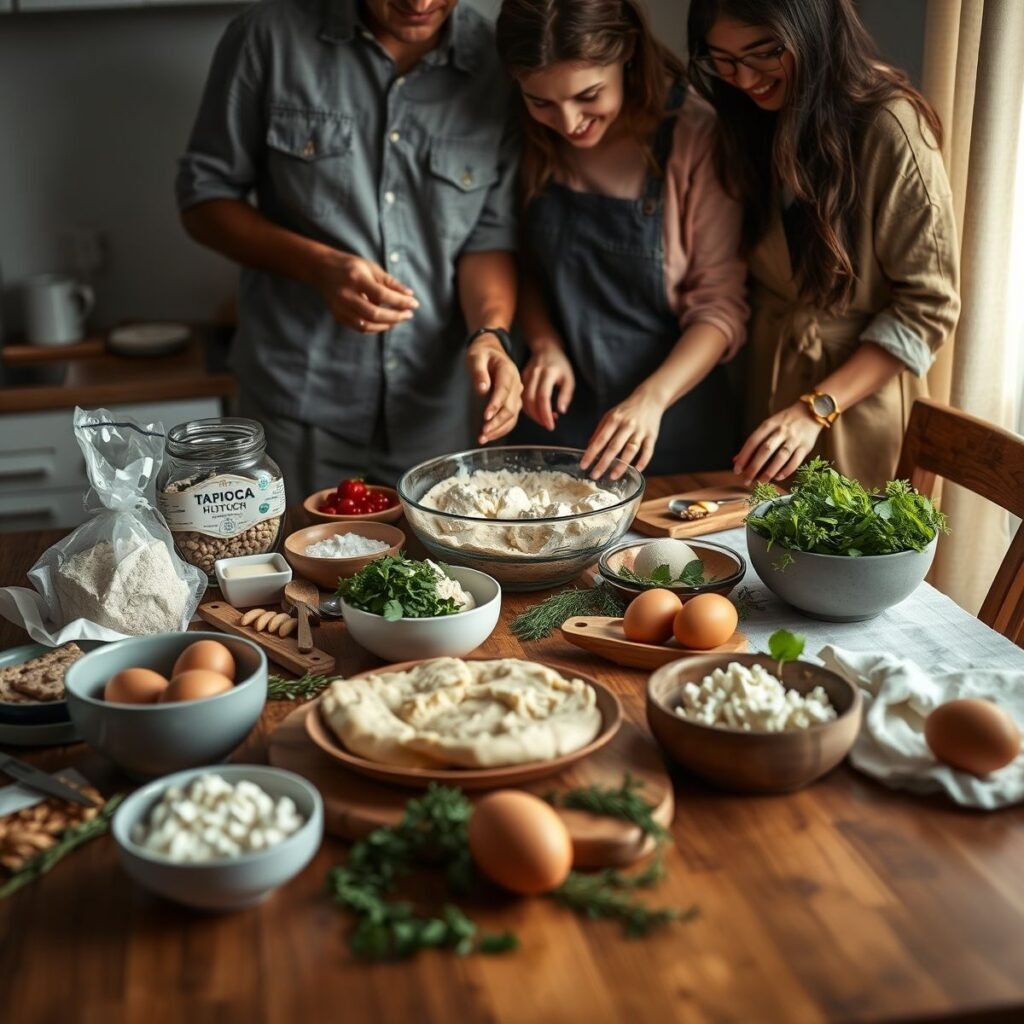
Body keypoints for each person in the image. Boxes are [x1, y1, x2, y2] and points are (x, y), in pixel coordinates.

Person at [176, 0, 523, 498]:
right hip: (298, 402)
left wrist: (490, 334)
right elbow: (204, 199)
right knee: (289, 574)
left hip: (433, 412)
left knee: (436, 578)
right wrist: (319, 267)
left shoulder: (496, 58)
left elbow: (488, 237)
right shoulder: (267, 38)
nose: (421, 3)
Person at [687, 0, 961, 492]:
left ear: (812, 29)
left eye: (764, 53)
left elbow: (928, 308)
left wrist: (818, 406)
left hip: (855, 404)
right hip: (767, 386)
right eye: (723, 62)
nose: (745, 80)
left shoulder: (891, 128)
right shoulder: (748, 118)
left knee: (849, 552)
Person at [495, 0, 748, 480]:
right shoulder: (528, 131)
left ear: (628, 51)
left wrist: (649, 400)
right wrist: (545, 343)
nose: (568, 123)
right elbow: (522, 264)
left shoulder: (696, 135)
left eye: (588, 95)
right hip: (554, 424)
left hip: (670, 429)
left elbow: (720, 310)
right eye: (542, 102)